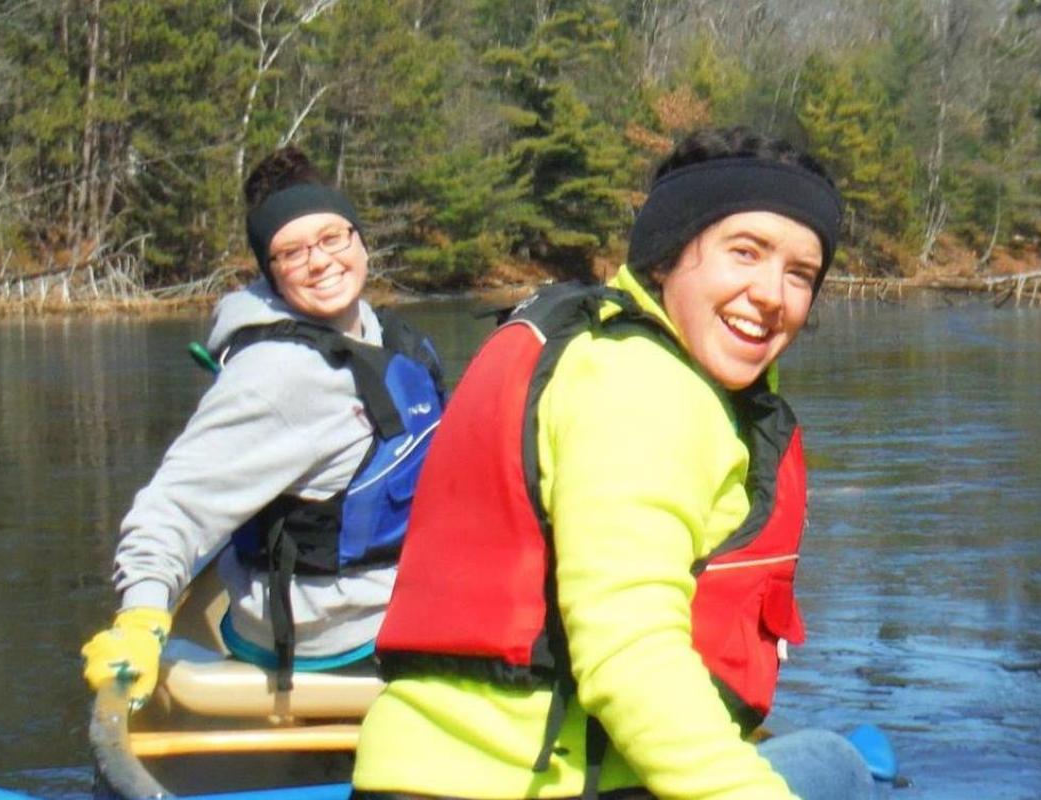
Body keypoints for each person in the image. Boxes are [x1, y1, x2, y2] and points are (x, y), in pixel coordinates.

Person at [351, 128, 877, 799]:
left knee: (828, 762)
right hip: (532, 782)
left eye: (800, 273)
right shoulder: (646, 388)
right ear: (666, 256)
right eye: (745, 252)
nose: (773, 294)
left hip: (421, 771)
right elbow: (629, 654)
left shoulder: (595, 346)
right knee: (841, 768)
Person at [81, 147, 446, 706]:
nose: (320, 262)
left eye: (332, 238)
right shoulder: (276, 375)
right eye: (292, 253)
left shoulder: (380, 333)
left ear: (358, 237)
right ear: (270, 273)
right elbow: (174, 505)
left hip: (392, 595)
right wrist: (143, 616)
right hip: (339, 634)